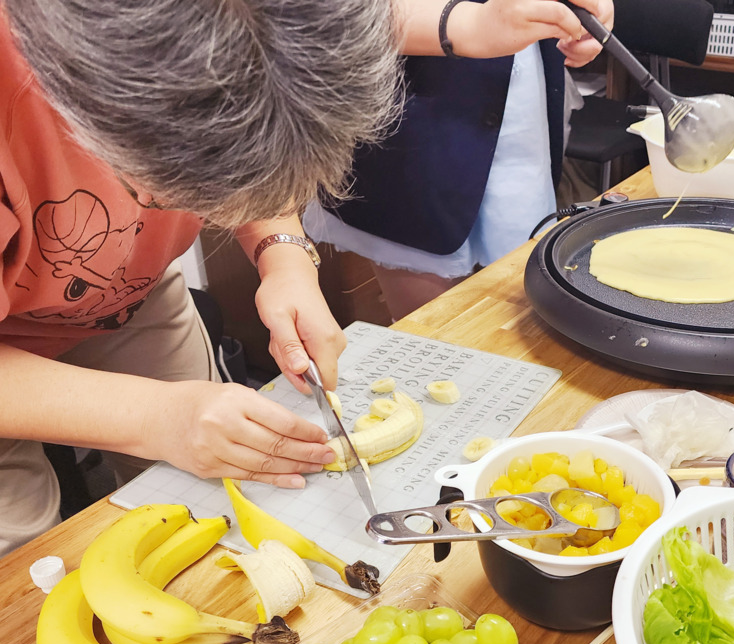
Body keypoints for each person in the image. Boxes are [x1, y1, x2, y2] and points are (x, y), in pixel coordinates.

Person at [0, 0, 606, 556]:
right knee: (18, 546)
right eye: (157, 190)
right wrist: (151, 417)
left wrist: (283, 254)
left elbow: (253, 127)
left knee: (192, 509)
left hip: (134, 287)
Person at [304, 0, 615, 320]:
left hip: (519, 97)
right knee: (431, 333)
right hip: (416, 109)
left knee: (523, 310)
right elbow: (322, 15)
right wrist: (470, 26)